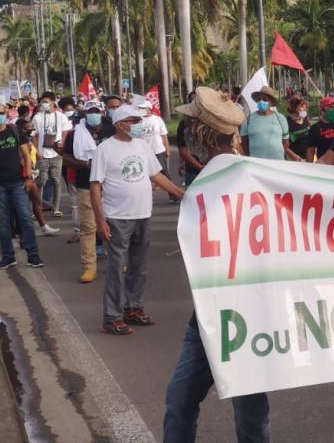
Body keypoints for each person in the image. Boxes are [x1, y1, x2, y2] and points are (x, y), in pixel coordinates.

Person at [163, 87, 268, 442]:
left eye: (191, 123)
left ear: (201, 133)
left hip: (247, 321)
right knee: (179, 400)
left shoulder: (249, 178)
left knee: (251, 414)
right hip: (205, 320)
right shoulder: (204, 181)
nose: (186, 130)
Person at [91, 105, 185, 336]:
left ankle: (133, 307)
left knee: (139, 266)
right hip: (117, 217)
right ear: (120, 123)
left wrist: (182, 194)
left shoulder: (142, 146)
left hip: (143, 214)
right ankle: (111, 317)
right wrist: (100, 220)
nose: (138, 125)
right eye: (133, 121)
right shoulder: (104, 149)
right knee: (116, 268)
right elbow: (95, 187)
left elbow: (156, 175)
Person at [0, 103, 44, 270]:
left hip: (17, 183)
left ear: (6, 113)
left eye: (1, 113)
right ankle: (8, 256)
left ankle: (33, 255)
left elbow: (27, 155)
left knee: (26, 218)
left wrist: (28, 176)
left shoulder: (14, 131)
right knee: (3, 221)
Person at [63, 102, 108, 283]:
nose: (94, 114)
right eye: (90, 111)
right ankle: (89, 267)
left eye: (97, 111)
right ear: (85, 113)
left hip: (111, 186)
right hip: (86, 185)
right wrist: (86, 164)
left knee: (114, 226)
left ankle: (119, 262)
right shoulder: (75, 134)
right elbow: (65, 158)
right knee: (88, 227)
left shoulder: (111, 129)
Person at [17, 117, 60, 236]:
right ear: (21, 129)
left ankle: (43, 226)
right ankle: (24, 232)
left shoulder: (29, 140)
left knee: (36, 201)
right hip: (24, 177)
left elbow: (36, 155)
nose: (31, 129)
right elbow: (22, 160)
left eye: (32, 127)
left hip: (32, 174)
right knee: (27, 203)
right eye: (28, 128)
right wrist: (27, 173)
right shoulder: (20, 142)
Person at [33, 91, 72, 217]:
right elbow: (35, 135)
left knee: (56, 181)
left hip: (56, 154)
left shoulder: (61, 117)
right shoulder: (37, 117)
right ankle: (37, 208)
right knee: (41, 181)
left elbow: (66, 133)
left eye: (46, 102)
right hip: (42, 153)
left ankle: (56, 208)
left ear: (53, 102)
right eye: (42, 102)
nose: (44, 104)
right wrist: (36, 151)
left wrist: (63, 148)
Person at [241, 86, 299, 161]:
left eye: (265, 99)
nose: (261, 101)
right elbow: (244, 141)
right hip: (256, 164)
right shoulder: (248, 119)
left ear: (271, 102)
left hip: (277, 164)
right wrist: (251, 156)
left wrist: (278, 154)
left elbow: (285, 142)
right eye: (259, 99)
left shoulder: (280, 118)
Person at [307, 97, 334, 162]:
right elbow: (310, 150)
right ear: (322, 110)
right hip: (325, 165)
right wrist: (309, 167)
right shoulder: (315, 128)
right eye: (331, 107)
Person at [285, 96, 312, 162]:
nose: (304, 110)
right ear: (294, 108)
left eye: (305, 108)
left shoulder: (306, 119)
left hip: (308, 158)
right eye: (301, 107)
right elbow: (284, 145)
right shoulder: (287, 123)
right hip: (295, 160)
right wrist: (294, 157)